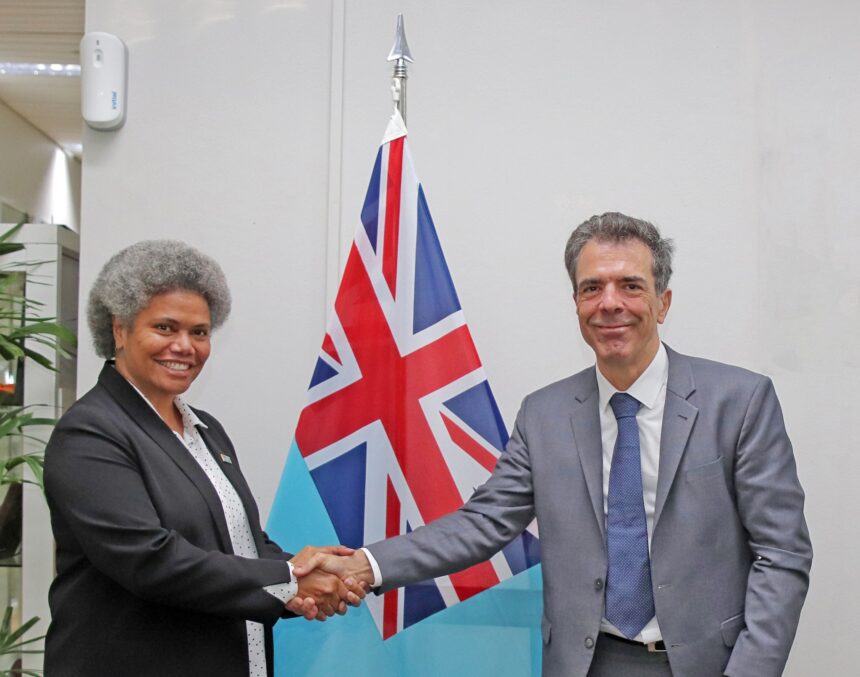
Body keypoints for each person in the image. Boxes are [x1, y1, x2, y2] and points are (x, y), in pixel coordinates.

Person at [293, 213, 812, 677]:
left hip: (706, 664)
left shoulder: (740, 401)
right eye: (593, 288)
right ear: (576, 303)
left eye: (630, 285)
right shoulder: (544, 415)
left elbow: (782, 554)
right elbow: (481, 523)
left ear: (663, 301)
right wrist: (364, 565)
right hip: (585, 662)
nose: (611, 304)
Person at [43, 240, 363, 677]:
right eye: (165, 328)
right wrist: (290, 576)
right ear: (119, 329)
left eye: (199, 332)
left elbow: (242, 543)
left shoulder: (204, 428)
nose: (184, 346)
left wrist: (304, 576)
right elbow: (150, 560)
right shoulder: (91, 432)